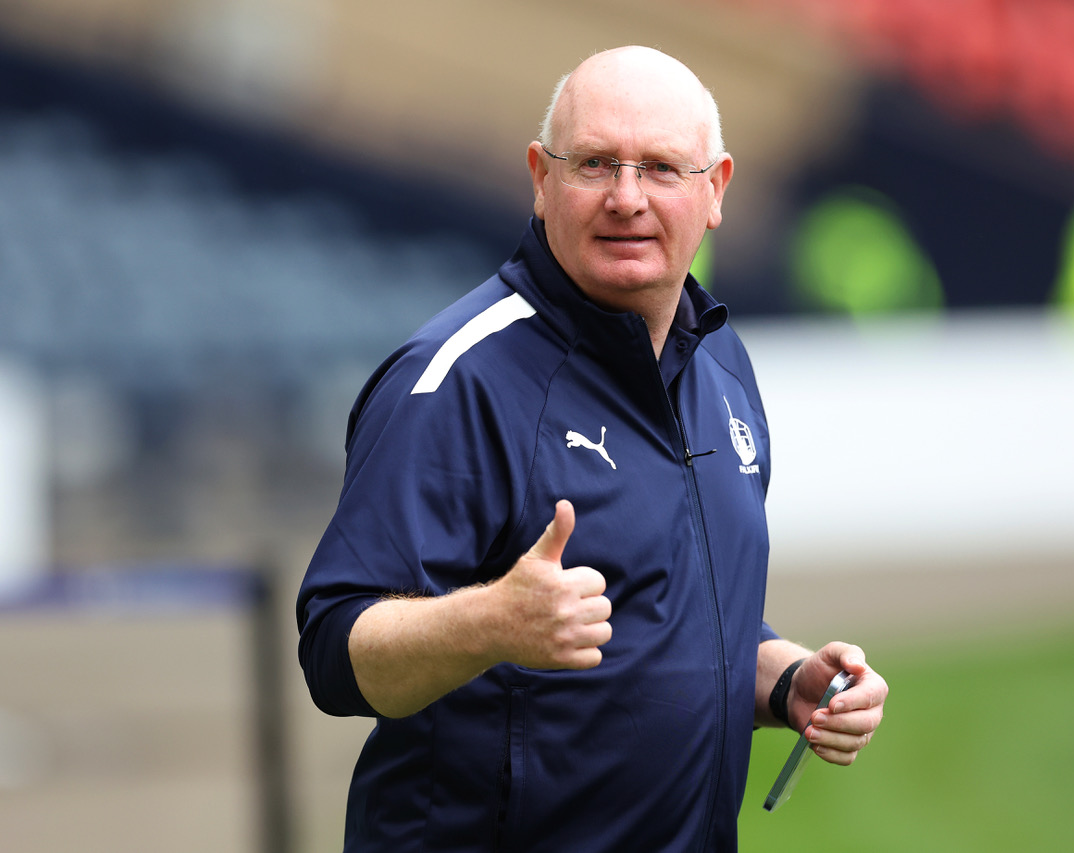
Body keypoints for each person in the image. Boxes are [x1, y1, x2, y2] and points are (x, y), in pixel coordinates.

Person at [297, 45, 888, 852]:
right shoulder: (457, 380)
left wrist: (786, 678)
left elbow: (665, 617)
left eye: (661, 169)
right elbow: (335, 650)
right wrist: (492, 622)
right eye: (595, 164)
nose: (626, 197)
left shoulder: (718, 363)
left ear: (715, 191)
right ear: (541, 179)